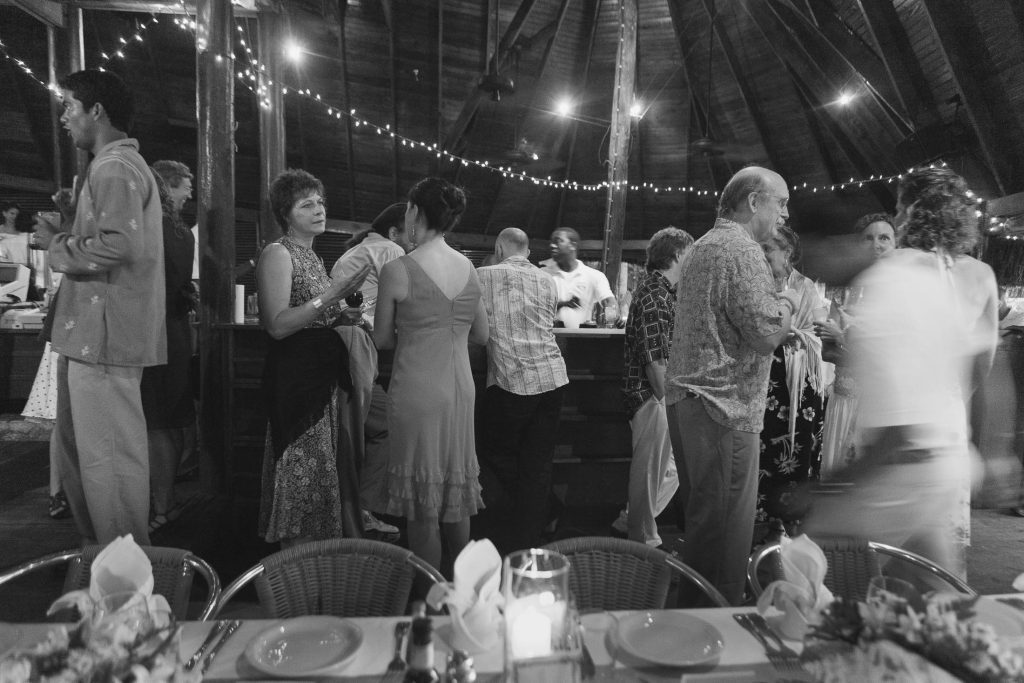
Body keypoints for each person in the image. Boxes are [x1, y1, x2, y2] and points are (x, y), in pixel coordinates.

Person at [805, 166, 984, 582]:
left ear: (836, 245)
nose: (814, 268)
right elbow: (974, 363)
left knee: (815, 573)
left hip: (906, 470)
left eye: (814, 253)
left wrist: (828, 488)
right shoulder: (921, 279)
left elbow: (898, 432)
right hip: (946, 460)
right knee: (934, 595)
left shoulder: (885, 296)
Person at [32, 69, 165, 546]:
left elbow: (120, 245)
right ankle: (104, 565)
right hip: (92, 334)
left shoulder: (115, 168)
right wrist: (73, 218)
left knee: (108, 461)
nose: (65, 117)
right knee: (87, 459)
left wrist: (57, 242)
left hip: (104, 337)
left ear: (97, 111)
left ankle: (127, 579)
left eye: (70, 106)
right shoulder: (113, 167)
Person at [664, 166, 797, 605]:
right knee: (724, 536)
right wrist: (788, 304)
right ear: (754, 201)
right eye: (781, 202)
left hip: (691, 399)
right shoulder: (742, 250)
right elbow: (764, 334)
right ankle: (715, 635)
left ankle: (690, 624)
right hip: (724, 406)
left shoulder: (703, 245)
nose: (784, 213)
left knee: (704, 526)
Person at [372, 177, 488, 574]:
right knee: (455, 495)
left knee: (423, 507)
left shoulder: (397, 270)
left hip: (418, 390)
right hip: (461, 390)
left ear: (415, 212)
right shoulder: (469, 268)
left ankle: (432, 604)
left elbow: (383, 339)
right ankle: (466, 597)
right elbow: (482, 334)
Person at [256, 169, 369, 547]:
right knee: (301, 465)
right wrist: (332, 295)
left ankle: (317, 557)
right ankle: (295, 561)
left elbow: (312, 314)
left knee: (321, 465)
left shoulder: (313, 257)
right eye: (307, 204)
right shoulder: (278, 253)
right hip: (294, 377)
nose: (319, 209)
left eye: (320, 201)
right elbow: (277, 325)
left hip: (319, 372)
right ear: (286, 213)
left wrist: (340, 315)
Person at [475, 227, 568, 555]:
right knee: (537, 463)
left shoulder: (481, 275)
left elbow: (476, 330)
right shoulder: (548, 280)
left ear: (499, 248)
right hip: (553, 378)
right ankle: (531, 538)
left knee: (491, 452)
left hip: (513, 380)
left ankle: (513, 530)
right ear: (527, 252)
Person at [329, 202, 412, 538]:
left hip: (347, 346)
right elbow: (406, 302)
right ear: (394, 232)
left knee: (378, 427)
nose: (412, 243)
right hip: (355, 347)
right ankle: (351, 520)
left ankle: (357, 512)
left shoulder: (357, 252)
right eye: (410, 234)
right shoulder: (390, 249)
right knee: (355, 436)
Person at [620, 227, 693, 547]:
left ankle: (631, 522)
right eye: (690, 253)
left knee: (671, 467)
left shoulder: (664, 292)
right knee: (650, 473)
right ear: (677, 255)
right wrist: (669, 399)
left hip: (658, 395)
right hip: (652, 396)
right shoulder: (655, 295)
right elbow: (654, 361)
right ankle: (642, 542)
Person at [756, 225, 828, 533]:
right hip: (766, 377)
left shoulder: (806, 286)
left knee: (797, 446)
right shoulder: (756, 285)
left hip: (800, 381)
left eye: (768, 249)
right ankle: (761, 518)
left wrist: (796, 336)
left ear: (787, 253)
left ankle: (792, 518)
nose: (762, 254)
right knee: (764, 446)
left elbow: (819, 332)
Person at [815, 213, 896, 476]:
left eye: (884, 237)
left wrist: (844, 339)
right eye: (868, 238)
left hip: (884, 403)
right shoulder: (842, 296)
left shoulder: (904, 294)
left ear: (896, 243)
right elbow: (827, 352)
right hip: (846, 396)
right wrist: (842, 344)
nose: (877, 245)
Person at [141, 161, 196, 534]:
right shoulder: (182, 233)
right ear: (169, 186)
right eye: (185, 186)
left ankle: (162, 504)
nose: (189, 193)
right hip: (174, 330)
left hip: (153, 330)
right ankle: (167, 501)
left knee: (158, 423)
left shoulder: (152, 226)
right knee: (171, 419)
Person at [542, 227, 618, 328]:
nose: (552, 245)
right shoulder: (542, 275)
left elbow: (608, 301)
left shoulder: (593, 275)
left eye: (557, 241)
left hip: (581, 339)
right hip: (549, 339)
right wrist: (563, 304)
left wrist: (612, 318)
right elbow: (537, 308)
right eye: (551, 242)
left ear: (572, 245)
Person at [0, 201, 29, 266]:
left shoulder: (23, 232)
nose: (15, 216)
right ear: (4, 213)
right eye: (12, 213)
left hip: (23, 265)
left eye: (17, 214)